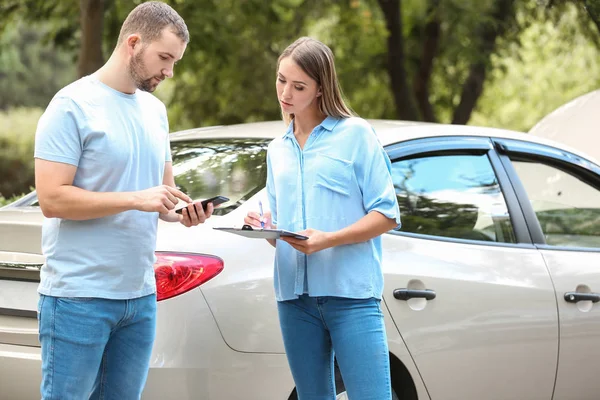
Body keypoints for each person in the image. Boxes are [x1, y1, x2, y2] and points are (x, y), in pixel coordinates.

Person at [33, 2, 209, 399]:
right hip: (79, 297)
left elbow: (161, 197)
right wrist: (136, 199)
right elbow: (52, 199)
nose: (169, 71)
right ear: (133, 43)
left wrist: (184, 213)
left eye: (175, 61)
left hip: (139, 297)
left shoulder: (156, 111)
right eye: (164, 57)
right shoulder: (71, 106)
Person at [244, 37, 401, 400]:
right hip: (293, 299)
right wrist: (265, 229)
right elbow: (282, 228)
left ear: (319, 89)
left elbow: (387, 214)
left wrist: (327, 239)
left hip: (351, 296)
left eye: (298, 86)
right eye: (281, 80)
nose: (285, 93)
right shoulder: (277, 149)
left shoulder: (356, 135)